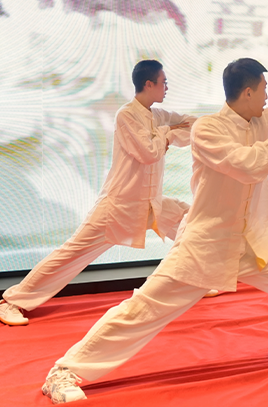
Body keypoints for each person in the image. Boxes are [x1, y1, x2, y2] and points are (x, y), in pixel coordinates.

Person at [41, 58, 268, 404]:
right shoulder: (208, 129)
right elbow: (246, 165)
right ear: (248, 92)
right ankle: (64, 371)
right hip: (204, 243)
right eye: (264, 89)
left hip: (246, 243)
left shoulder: (263, 121)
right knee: (144, 308)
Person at [0, 60, 194, 327]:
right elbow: (148, 153)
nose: (167, 87)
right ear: (149, 84)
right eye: (164, 82)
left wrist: (220, 125)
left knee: (191, 221)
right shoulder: (126, 115)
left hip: (151, 204)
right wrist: (168, 135)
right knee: (71, 254)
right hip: (119, 205)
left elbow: (190, 124)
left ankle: (194, 280)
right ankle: (12, 301)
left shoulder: (157, 115)